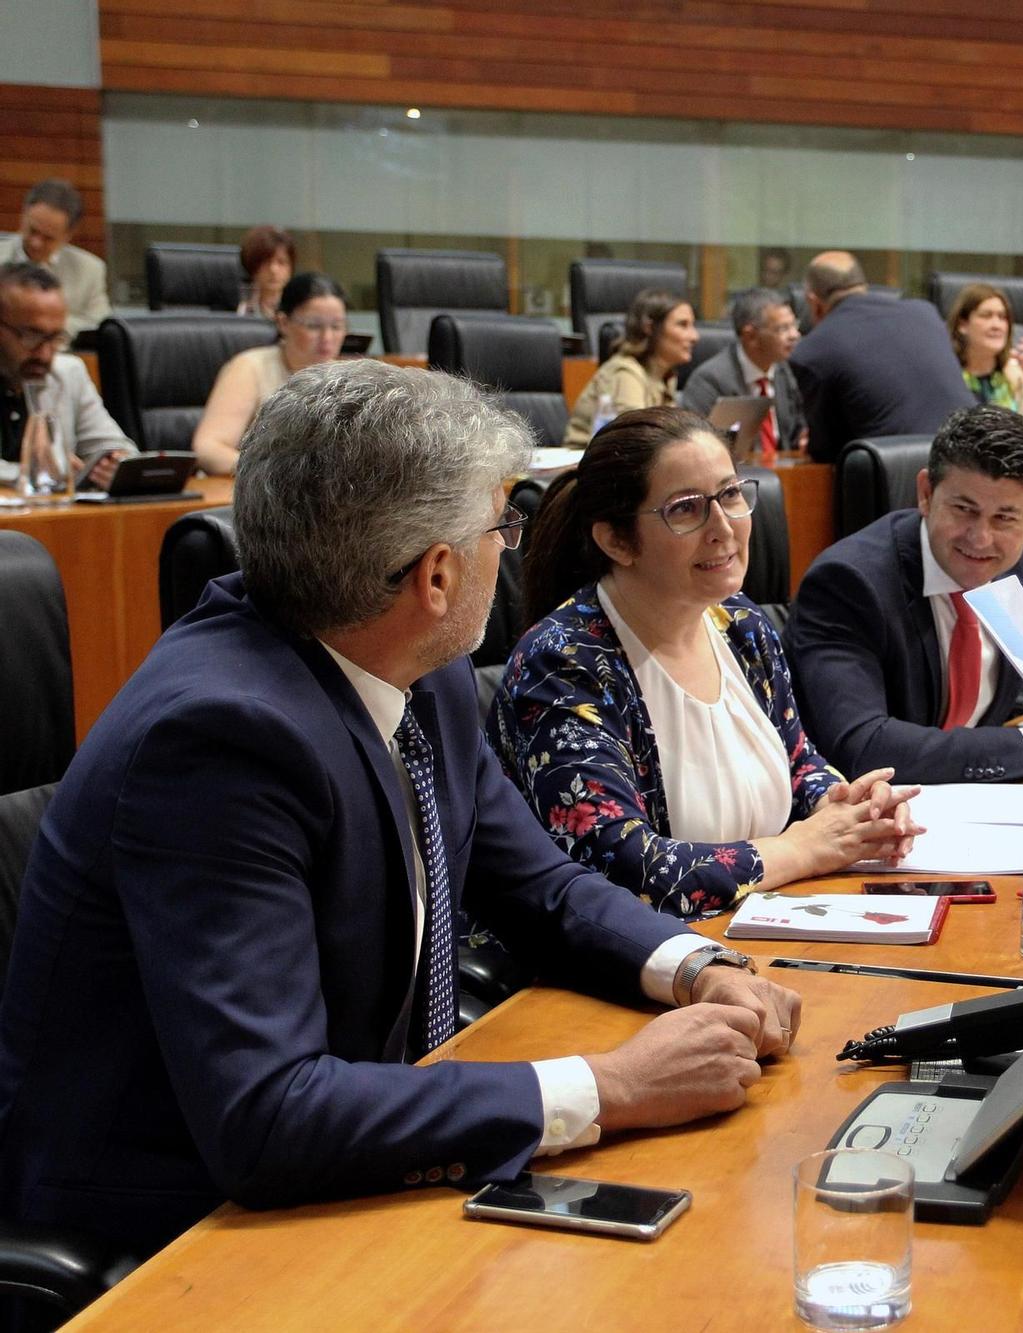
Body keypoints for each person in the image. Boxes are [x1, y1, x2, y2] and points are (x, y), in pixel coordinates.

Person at [0, 360, 805, 1261]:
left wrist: (695, 963)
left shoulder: (426, 670)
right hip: (173, 1229)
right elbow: (268, 1114)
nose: (512, 547)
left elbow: (537, 883)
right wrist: (609, 1084)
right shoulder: (220, 742)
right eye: (501, 524)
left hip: (362, 1153)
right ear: (434, 575)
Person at [489, 405, 919, 920]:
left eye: (731, 494)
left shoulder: (741, 625)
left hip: (760, 926)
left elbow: (797, 762)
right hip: (615, 971)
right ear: (617, 540)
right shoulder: (560, 665)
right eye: (686, 509)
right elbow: (624, 871)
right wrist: (804, 848)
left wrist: (846, 808)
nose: (723, 528)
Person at [785, 404, 1023, 785]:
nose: (980, 538)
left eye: (1005, 518)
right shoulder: (850, 584)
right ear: (925, 493)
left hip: (988, 802)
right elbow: (863, 746)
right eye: (963, 509)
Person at [787, 251, 974, 463]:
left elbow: (825, 452)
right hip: (971, 456)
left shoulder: (812, 350)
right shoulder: (926, 313)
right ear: (862, 285)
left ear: (813, 302)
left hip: (895, 476)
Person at [192, 271, 348, 475]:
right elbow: (208, 448)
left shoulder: (347, 378)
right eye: (314, 326)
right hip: (257, 494)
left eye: (337, 326)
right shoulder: (250, 368)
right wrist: (275, 477)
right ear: (283, 323)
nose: (327, 337)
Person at [0, 262, 133, 489]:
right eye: (32, 336)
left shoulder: (68, 373)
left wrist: (114, 465)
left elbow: (118, 449)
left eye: (55, 338)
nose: (44, 353)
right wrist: (37, 471)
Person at [680, 286, 806, 456]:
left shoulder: (785, 372)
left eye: (794, 325)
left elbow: (797, 430)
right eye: (782, 329)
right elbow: (694, 447)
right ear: (751, 336)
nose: (795, 335)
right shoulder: (708, 381)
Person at [563, 288, 697, 446]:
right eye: (683, 325)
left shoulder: (665, 376)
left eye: (692, 325)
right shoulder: (625, 373)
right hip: (584, 465)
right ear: (650, 327)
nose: (694, 336)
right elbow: (637, 442)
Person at [946, 282, 1023, 458]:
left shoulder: (1015, 375)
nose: (997, 325)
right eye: (986, 316)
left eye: (1002, 317)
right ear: (962, 325)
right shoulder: (949, 376)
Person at [1, 179, 108, 337]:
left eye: (48, 238)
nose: (36, 243)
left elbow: (100, 324)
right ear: (23, 215)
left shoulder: (90, 269)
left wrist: (45, 324)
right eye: (32, 230)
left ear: (67, 236)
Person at [237, 224, 296, 319]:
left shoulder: (301, 309)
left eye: (281, 262)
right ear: (253, 266)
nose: (273, 269)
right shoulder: (237, 307)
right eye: (266, 263)